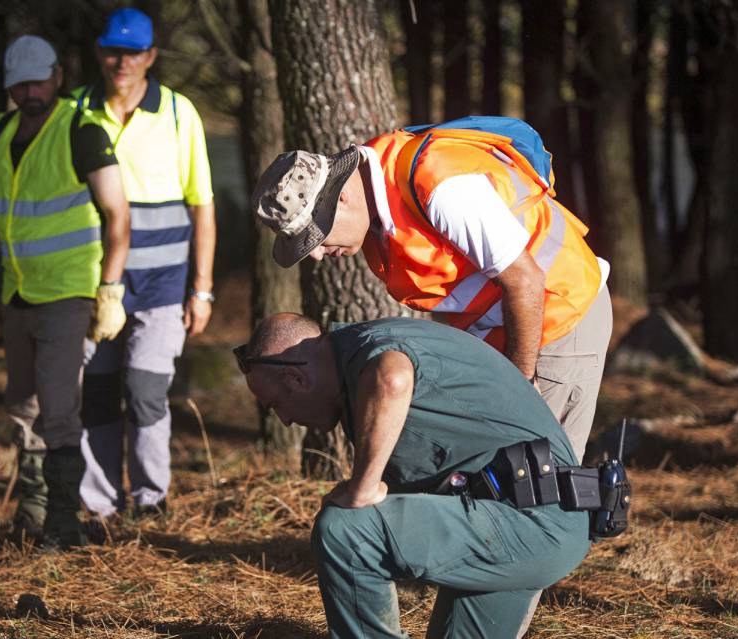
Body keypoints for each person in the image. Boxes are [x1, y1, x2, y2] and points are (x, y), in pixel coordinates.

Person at [251, 120, 612, 464]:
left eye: (315, 236)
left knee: (542, 480)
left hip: (559, 320)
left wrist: (518, 391)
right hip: (508, 331)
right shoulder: (377, 217)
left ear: (342, 197)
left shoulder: (441, 188)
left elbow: (526, 281)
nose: (315, 254)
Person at [237, 312, 591, 639]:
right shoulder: (354, 359)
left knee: (345, 530)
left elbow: (393, 377)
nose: (283, 420)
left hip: (533, 520)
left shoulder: (369, 352)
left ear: (296, 377)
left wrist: (363, 487)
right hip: (527, 521)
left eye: (276, 405)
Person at [0, 35, 130, 548]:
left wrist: (109, 289)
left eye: (38, 81)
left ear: (57, 77)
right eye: (19, 85)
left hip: (68, 292)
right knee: (22, 406)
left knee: (58, 409)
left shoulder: (82, 131)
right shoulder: (1, 130)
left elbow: (118, 214)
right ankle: (32, 510)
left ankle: (63, 523)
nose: (29, 92)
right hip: (16, 293)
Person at [72, 8, 216, 519]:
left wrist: (201, 289)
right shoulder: (75, 110)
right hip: (94, 280)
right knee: (98, 393)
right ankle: (99, 505)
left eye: (133, 52)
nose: (122, 61)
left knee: (146, 390)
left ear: (151, 56)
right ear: (99, 51)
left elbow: (203, 205)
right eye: (113, 50)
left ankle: (151, 499)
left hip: (164, 283)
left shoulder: (179, 112)